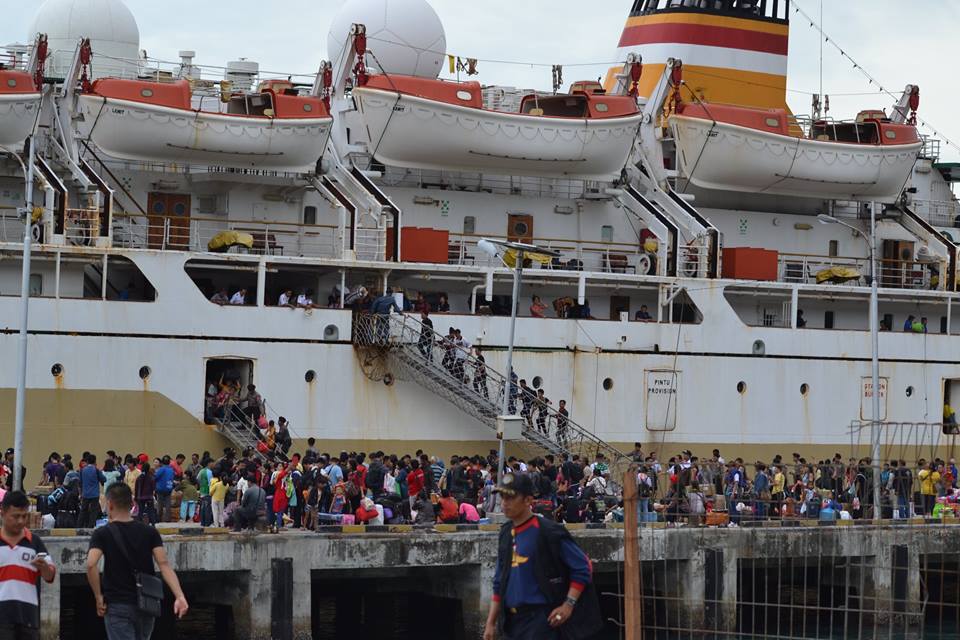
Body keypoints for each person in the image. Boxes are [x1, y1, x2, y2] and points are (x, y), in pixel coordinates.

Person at [483, 473, 601, 640]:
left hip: (540, 620)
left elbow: (583, 567)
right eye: (502, 497)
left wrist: (568, 605)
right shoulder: (505, 533)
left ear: (528, 500)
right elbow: (499, 580)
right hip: (512, 621)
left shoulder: (548, 532)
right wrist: (490, 622)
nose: (504, 503)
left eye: (510, 497)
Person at [86, 484, 188, 639]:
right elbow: (164, 565)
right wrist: (179, 596)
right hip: (146, 602)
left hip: (117, 603)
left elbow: (91, 564)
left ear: (110, 504)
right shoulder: (149, 532)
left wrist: (98, 596)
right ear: (132, 504)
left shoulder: (102, 533)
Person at [0, 491, 56, 639]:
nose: (20, 521)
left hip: (28, 618)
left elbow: (50, 576)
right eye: (15, 516)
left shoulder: (35, 542)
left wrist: (43, 567)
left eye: (24, 516)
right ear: (3, 513)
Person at [79, 453, 106, 528]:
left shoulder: (82, 470)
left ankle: (79, 526)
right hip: (94, 494)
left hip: (85, 494)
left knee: (83, 511)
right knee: (93, 512)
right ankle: (90, 527)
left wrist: (81, 493)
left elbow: (80, 482)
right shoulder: (96, 470)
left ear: (87, 461)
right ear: (95, 461)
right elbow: (104, 479)